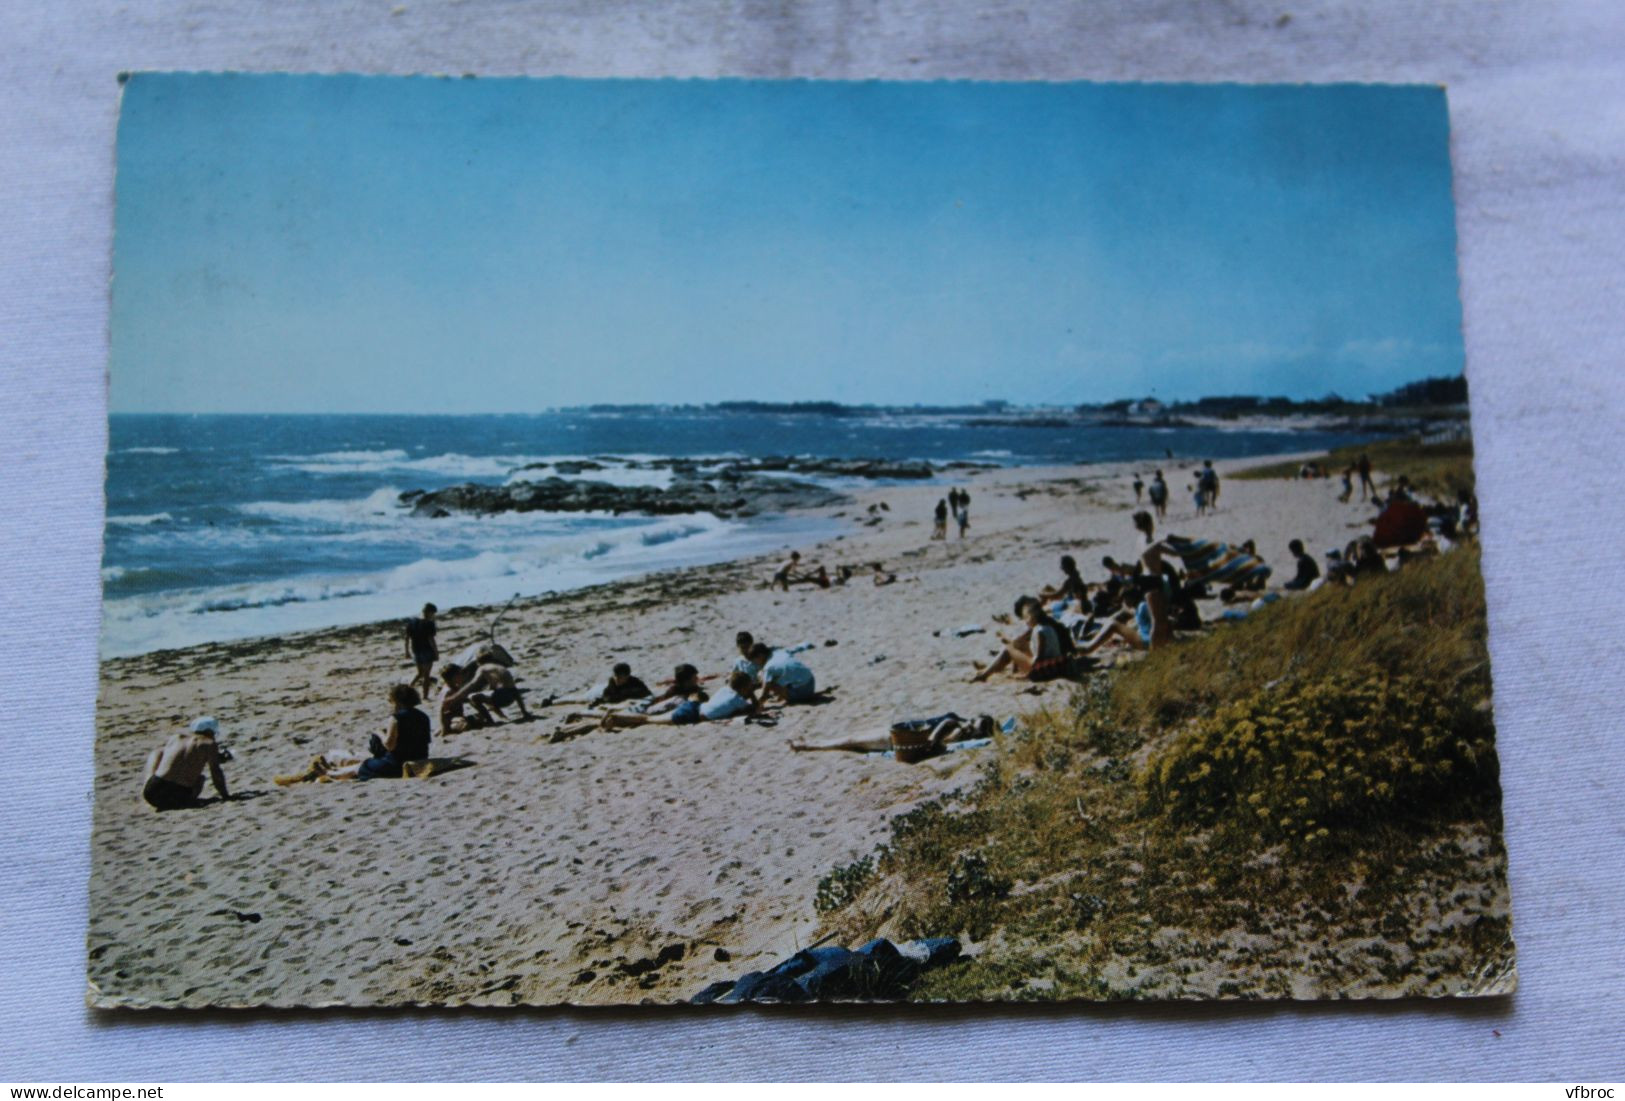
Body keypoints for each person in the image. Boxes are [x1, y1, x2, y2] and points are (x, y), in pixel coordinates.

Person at [789, 714, 996, 756]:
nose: (967, 726)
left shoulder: (958, 731)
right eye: (971, 722)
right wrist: (934, 742)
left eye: (972, 729)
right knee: (852, 740)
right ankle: (809, 745)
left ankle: (809, 745)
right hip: (896, 736)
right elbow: (945, 725)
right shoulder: (954, 724)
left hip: (898, 738)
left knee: (852, 741)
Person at [970, 596, 1071, 682]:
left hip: (1041, 669)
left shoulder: (1038, 630)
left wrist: (1025, 675)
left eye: (1027, 618)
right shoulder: (1048, 626)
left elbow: (1038, 658)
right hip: (1055, 664)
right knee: (1016, 646)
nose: (1025, 621)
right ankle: (989, 670)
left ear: (1034, 617)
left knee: (1008, 649)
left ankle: (985, 674)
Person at [141, 717, 230, 811]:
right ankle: (187, 800)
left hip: (152, 792)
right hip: (178, 797)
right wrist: (225, 796)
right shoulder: (209, 743)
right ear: (210, 731)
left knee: (159, 752)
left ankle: (147, 784)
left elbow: (177, 759)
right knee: (200, 779)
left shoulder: (176, 738)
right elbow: (216, 773)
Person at [357, 684, 432, 780]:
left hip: (397, 765)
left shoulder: (396, 718)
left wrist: (379, 733)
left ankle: (335, 774)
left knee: (364, 766)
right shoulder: (423, 716)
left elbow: (390, 745)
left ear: (397, 701)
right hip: (419, 762)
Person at [441, 659, 530, 727]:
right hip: (512, 696)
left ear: (479, 663)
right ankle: (503, 716)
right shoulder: (498, 667)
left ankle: (490, 721)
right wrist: (524, 712)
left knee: (473, 697)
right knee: (488, 695)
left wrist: (454, 697)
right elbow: (514, 691)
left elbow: (472, 684)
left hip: (503, 697)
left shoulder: (482, 668)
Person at [750, 642, 818, 703]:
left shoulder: (768, 667)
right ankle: (785, 693)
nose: (756, 663)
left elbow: (764, 693)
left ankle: (786, 695)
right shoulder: (779, 651)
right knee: (779, 674)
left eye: (755, 660)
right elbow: (797, 648)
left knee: (764, 677)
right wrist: (807, 645)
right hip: (811, 681)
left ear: (760, 656)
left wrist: (759, 704)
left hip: (803, 693)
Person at [403, 603, 439, 699]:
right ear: (430, 612)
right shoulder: (429, 624)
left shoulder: (412, 622)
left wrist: (406, 651)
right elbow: (431, 639)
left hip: (416, 650)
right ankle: (425, 696)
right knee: (426, 675)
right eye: (433, 613)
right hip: (427, 650)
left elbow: (407, 638)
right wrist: (436, 652)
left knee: (420, 673)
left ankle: (408, 687)